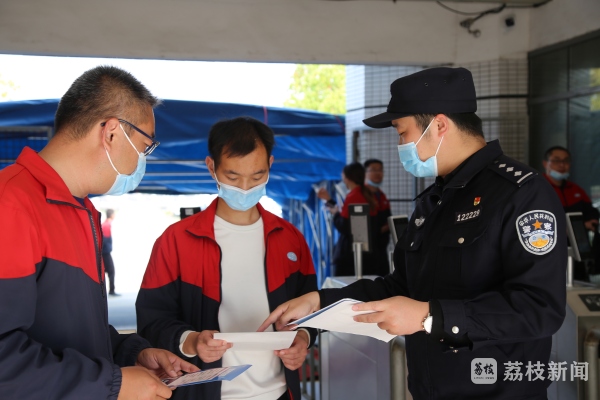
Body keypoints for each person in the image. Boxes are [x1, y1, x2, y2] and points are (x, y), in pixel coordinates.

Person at [260, 67, 567, 400]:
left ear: (439, 125)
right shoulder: (434, 200)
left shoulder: (520, 193)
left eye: (402, 132)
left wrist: (429, 316)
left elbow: (540, 308)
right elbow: (402, 286)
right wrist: (320, 302)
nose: (400, 145)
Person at [0, 65, 198, 400]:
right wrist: (113, 384)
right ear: (111, 133)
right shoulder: (11, 205)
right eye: (145, 146)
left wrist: (131, 353)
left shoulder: (83, 212)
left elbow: (74, 328)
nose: (142, 161)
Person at [136, 117, 318, 400]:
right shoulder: (177, 240)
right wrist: (191, 341)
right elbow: (152, 319)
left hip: (279, 392)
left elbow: (312, 309)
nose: (245, 187)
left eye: (257, 176)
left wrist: (303, 338)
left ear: (270, 165)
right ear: (211, 167)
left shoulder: (290, 238)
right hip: (203, 393)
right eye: (233, 177)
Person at [317, 162, 382, 276]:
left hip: (352, 257)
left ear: (347, 178)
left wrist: (335, 215)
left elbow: (345, 225)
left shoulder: (353, 197)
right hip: (368, 254)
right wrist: (329, 201)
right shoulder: (367, 195)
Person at [542, 146, 599, 232]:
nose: (562, 165)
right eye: (556, 161)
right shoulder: (537, 188)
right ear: (545, 163)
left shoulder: (576, 189)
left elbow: (591, 212)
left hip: (578, 238)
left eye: (566, 161)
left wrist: (592, 221)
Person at [364, 158, 392, 273]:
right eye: (373, 170)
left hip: (381, 249)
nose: (378, 173)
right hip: (367, 253)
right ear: (365, 173)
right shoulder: (362, 195)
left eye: (380, 170)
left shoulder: (382, 195)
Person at [102, 208, 119, 296]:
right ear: (112, 215)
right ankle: (111, 290)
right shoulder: (107, 225)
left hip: (104, 251)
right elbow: (105, 239)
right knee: (111, 270)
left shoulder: (105, 224)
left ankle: (109, 290)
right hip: (105, 252)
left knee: (106, 271)